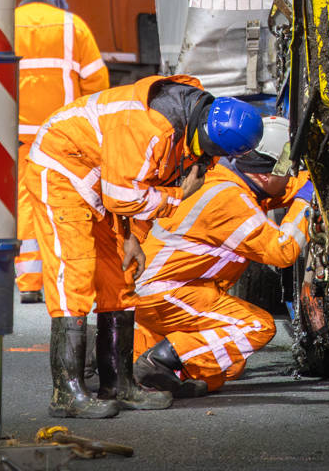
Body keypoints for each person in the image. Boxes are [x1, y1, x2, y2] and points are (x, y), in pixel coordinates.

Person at [22, 74, 262, 418]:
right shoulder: (152, 128)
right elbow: (124, 195)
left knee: (119, 280)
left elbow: (143, 180)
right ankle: (66, 393)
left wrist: (133, 237)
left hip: (103, 183)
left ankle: (118, 384)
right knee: (73, 274)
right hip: (64, 171)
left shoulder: (195, 130)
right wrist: (179, 197)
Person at [130, 116, 313, 398]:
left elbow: (280, 189)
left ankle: (126, 355)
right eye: (287, 169)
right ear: (266, 173)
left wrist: (307, 180)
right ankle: (162, 360)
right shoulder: (230, 202)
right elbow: (282, 251)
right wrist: (306, 203)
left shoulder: (226, 178)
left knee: (228, 364)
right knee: (254, 326)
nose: (290, 175)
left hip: (158, 289)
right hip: (164, 292)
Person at [11, 0, 109, 303]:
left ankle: (29, 281)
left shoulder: (7, 24)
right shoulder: (74, 27)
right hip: (62, 140)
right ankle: (70, 282)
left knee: (25, 201)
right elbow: (96, 86)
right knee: (65, 204)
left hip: (20, 135)